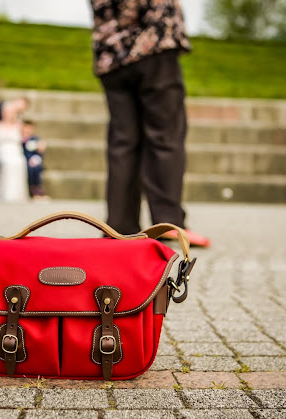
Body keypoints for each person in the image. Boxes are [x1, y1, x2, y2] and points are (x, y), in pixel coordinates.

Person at [89, 0, 210, 247]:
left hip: (111, 51)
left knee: (123, 141)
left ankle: (120, 226)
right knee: (165, 136)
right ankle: (167, 222)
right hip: (151, 42)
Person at [0, 102, 28, 202]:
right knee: (7, 162)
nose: (7, 114)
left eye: (10, 112)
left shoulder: (19, 125)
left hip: (16, 151)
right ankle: (5, 194)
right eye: (5, 112)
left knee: (19, 162)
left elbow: (25, 140)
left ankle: (17, 194)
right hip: (1, 150)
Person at [21, 120, 48, 199]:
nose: (27, 130)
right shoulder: (19, 138)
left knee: (35, 167)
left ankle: (36, 188)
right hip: (23, 160)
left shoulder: (35, 139)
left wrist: (35, 159)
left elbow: (39, 153)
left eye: (30, 129)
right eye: (26, 128)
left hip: (32, 160)